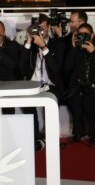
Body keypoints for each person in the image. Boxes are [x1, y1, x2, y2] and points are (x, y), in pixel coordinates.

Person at [19, 13, 65, 150]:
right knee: (27, 103)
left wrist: (44, 47)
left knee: (50, 101)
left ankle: (50, 138)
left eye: (43, 28)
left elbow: (56, 69)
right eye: (37, 28)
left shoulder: (58, 44)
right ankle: (34, 139)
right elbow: (21, 68)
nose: (40, 31)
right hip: (32, 85)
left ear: (49, 27)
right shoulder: (30, 45)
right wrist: (28, 43)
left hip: (51, 84)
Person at [64, 23, 95, 145]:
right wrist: (73, 47)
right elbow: (67, 67)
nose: (83, 37)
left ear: (92, 36)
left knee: (89, 100)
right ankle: (78, 132)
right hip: (78, 86)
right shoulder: (76, 50)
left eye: (86, 35)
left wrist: (93, 51)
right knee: (74, 99)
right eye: (80, 35)